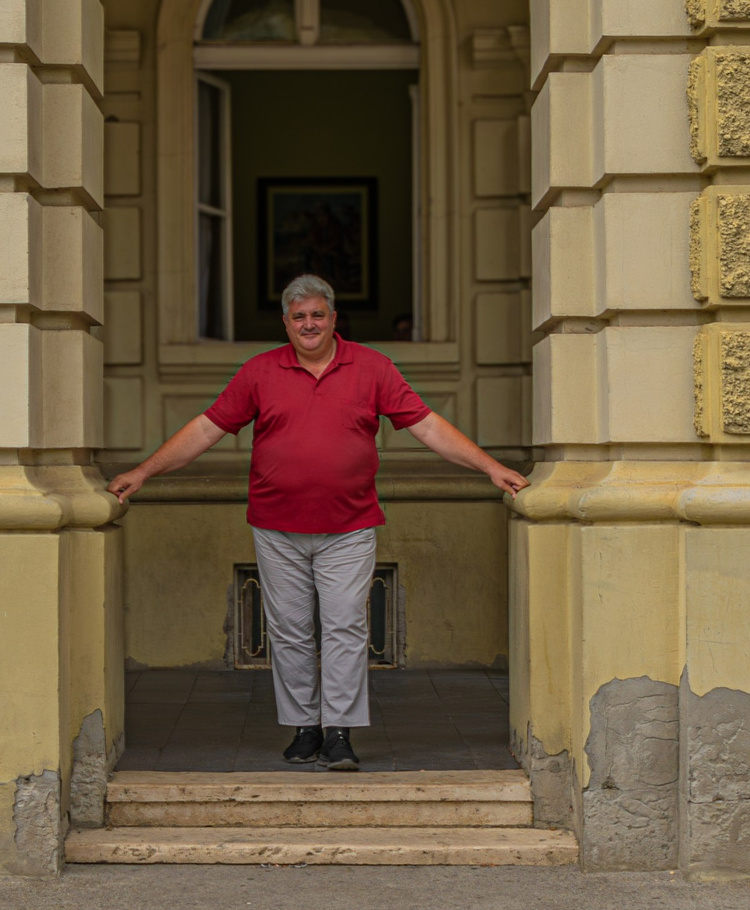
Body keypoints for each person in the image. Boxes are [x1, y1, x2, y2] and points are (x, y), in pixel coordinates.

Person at [108, 274, 528, 770]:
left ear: (333, 319)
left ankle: (339, 733)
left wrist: (491, 467)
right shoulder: (259, 372)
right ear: (286, 323)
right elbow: (205, 429)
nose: (309, 324)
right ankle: (306, 727)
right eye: (298, 316)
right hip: (275, 526)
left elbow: (427, 425)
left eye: (317, 315)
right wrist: (142, 472)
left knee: (345, 627)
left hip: (349, 526)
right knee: (288, 629)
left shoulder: (372, 367)